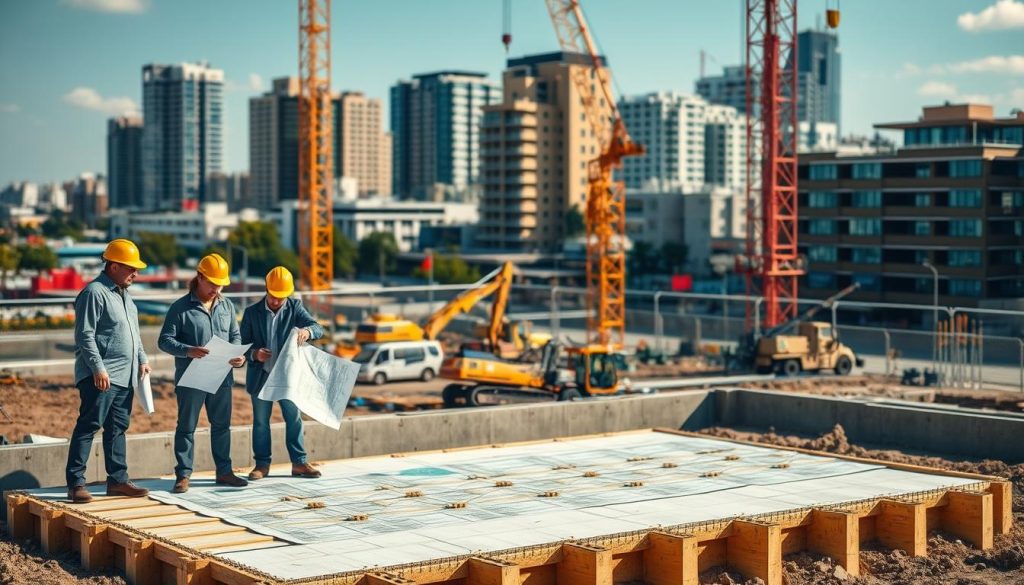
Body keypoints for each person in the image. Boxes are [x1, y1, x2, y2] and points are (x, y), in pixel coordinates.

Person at [65, 239, 152, 504]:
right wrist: (98, 368)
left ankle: (117, 481)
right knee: (89, 425)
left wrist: (142, 359)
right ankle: (76, 484)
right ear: (114, 266)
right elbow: (85, 335)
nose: (136, 274)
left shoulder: (125, 296)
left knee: (117, 428)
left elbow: (133, 334)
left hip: (125, 376)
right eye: (131, 268)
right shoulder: (94, 293)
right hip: (100, 376)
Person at [158, 253, 248, 493]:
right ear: (199, 277)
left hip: (222, 377)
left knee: (222, 426)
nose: (216, 289)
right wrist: (188, 351)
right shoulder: (180, 308)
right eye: (212, 284)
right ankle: (183, 475)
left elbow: (235, 336)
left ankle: (224, 472)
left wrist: (239, 357)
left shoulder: (227, 305)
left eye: (220, 285)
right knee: (186, 427)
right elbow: (164, 341)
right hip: (192, 379)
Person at [240, 266, 324, 480]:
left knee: (294, 418)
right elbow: (240, 346)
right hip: (261, 376)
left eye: (281, 297)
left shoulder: (295, 307)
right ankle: (261, 465)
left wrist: (307, 331)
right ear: (266, 290)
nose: (277, 301)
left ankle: (299, 463)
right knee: (260, 422)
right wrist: (254, 354)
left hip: (287, 377)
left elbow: (318, 328)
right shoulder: (251, 313)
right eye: (274, 296)